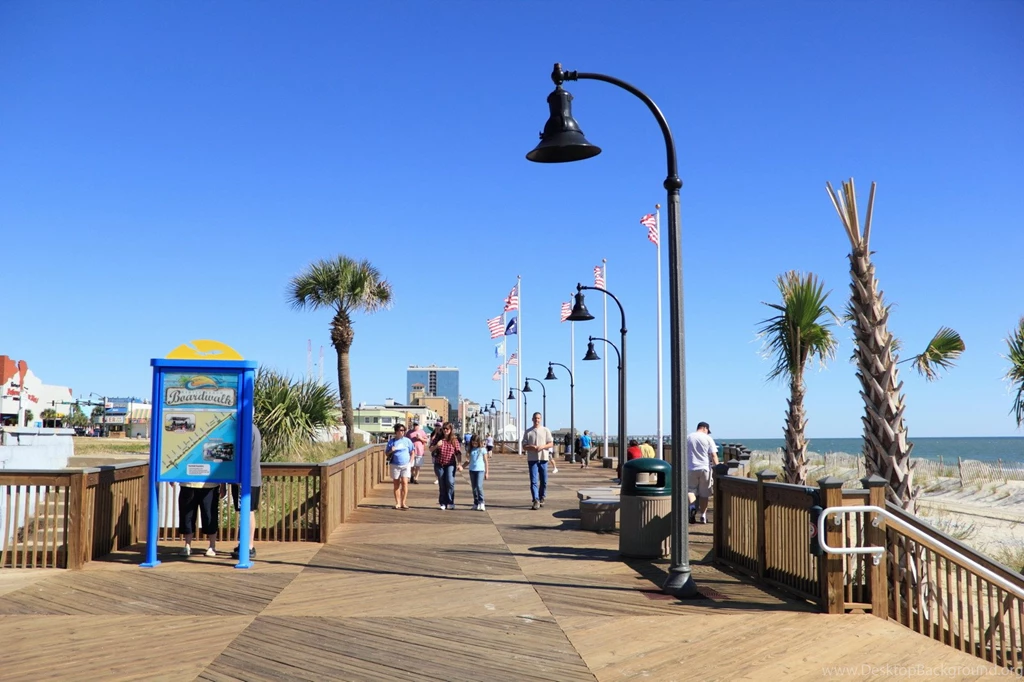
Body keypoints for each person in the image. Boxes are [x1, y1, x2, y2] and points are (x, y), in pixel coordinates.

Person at [230, 424, 263, 559]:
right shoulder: (253, 429)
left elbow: (243, 456)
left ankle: (248, 546)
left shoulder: (246, 430)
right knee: (248, 511)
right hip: (252, 478)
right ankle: (246, 544)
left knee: (247, 511)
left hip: (245, 478)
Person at [687, 421, 719, 524]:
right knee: (704, 493)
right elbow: (713, 455)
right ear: (705, 428)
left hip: (691, 468)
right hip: (705, 468)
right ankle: (703, 516)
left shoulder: (688, 437)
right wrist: (717, 468)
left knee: (691, 490)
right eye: (707, 431)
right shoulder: (708, 438)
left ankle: (692, 507)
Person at [178, 480, 219, 557]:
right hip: (187, 484)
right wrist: (171, 478)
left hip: (210, 485)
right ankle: (187, 545)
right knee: (187, 516)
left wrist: (223, 485)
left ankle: (212, 546)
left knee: (210, 516)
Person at [522, 411, 553, 510]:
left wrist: (543, 446)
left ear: (541, 419)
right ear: (532, 419)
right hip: (532, 459)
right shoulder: (528, 431)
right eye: (535, 418)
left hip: (543, 458)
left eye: (538, 418)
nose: (537, 420)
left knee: (544, 481)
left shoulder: (545, 430)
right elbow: (524, 446)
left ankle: (542, 496)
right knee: (534, 481)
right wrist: (532, 447)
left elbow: (551, 443)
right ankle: (535, 499)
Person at [431, 422, 462, 510]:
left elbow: (458, 453)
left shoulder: (454, 440)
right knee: (442, 483)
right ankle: (443, 502)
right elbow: (430, 449)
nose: (445, 430)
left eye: (447, 429)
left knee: (450, 482)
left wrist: (459, 464)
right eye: (444, 428)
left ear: (451, 430)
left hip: (450, 464)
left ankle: (450, 501)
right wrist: (437, 445)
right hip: (439, 463)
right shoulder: (438, 438)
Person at [386, 423, 414, 509]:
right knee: (396, 484)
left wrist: (410, 462)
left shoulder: (407, 441)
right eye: (401, 430)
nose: (402, 432)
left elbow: (412, 451)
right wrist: (391, 450)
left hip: (405, 465)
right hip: (395, 465)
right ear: (396, 431)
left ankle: (403, 502)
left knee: (405, 483)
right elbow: (386, 454)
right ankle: (397, 502)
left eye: (403, 430)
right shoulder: (392, 441)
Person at [467, 434, 489, 511]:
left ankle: (481, 502)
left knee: (479, 486)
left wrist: (487, 472)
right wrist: (462, 466)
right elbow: (468, 460)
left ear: (479, 442)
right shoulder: (471, 449)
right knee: (474, 488)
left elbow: (486, 461)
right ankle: (476, 503)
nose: (474, 444)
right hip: (472, 470)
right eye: (473, 443)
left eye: (476, 443)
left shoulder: (482, 449)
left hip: (480, 470)